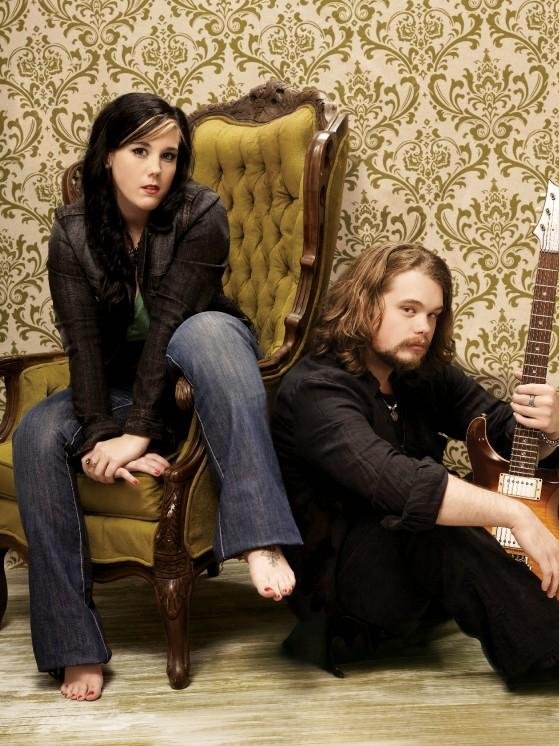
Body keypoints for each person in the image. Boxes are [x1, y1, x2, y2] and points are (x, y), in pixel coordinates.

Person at [13, 92, 301, 701]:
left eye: (169, 155)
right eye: (140, 151)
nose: (156, 170)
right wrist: (102, 436)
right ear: (106, 155)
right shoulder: (72, 231)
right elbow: (83, 343)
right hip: (122, 389)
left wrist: (137, 432)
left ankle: (260, 535)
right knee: (37, 432)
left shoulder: (202, 212)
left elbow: (170, 322)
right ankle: (73, 644)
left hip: (199, 368)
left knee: (207, 329)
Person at [271, 241, 559, 685]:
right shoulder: (316, 390)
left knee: (553, 462)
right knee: (427, 514)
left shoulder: (419, 373)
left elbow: (500, 429)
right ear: (364, 304)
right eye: (408, 310)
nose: (423, 327)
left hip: (416, 577)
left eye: (433, 314)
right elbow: (403, 484)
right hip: (344, 591)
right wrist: (514, 515)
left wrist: (550, 425)